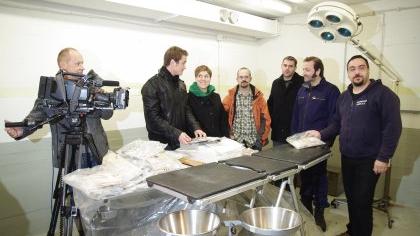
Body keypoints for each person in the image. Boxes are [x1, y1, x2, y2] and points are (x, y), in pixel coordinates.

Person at [306, 55, 402, 236]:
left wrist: (383, 157)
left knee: (362, 201)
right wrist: (320, 133)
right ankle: (352, 230)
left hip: (370, 159)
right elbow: (336, 123)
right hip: (348, 157)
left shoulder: (383, 95)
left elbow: (393, 128)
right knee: (352, 198)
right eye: (352, 69)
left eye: (361, 67)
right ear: (348, 73)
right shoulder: (344, 97)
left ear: (367, 70)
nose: (357, 72)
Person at [4, 47, 112, 168]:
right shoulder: (52, 90)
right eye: (78, 63)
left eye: (82, 63)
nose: (82, 67)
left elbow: (107, 114)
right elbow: (38, 115)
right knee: (73, 186)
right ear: (62, 65)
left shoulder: (92, 85)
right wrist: (21, 130)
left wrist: (99, 97)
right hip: (70, 155)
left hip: (97, 151)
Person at [291, 56, 340, 232]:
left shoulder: (331, 91)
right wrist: (293, 138)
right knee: (305, 179)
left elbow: (335, 120)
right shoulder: (302, 89)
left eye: (307, 70)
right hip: (301, 146)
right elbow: (296, 116)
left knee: (319, 179)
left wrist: (324, 138)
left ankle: (319, 212)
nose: (303, 72)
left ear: (318, 71)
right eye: (303, 69)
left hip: (320, 146)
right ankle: (306, 211)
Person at [141, 46, 206, 150]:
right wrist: (176, 133)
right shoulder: (151, 85)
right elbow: (152, 119)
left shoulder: (181, 85)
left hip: (181, 142)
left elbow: (186, 110)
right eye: (183, 63)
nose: (185, 66)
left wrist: (196, 128)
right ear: (172, 62)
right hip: (162, 145)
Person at [222, 67, 271, 150]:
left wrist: (260, 138)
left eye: (246, 77)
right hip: (236, 141)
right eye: (241, 77)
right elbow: (222, 117)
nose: (243, 79)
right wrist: (229, 135)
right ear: (237, 79)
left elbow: (265, 119)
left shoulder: (259, 98)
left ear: (250, 78)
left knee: (255, 163)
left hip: (254, 142)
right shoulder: (230, 97)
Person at [268, 56, 304, 146]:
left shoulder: (303, 82)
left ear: (295, 68)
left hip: (296, 133)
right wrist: (273, 123)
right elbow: (270, 105)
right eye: (285, 65)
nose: (287, 68)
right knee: (277, 159)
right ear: (281, 66)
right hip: (278, 133)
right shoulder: (275, 83)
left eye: (291, 66)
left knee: (294, 159)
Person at [187, 65, 229, 137]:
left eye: (206, 76)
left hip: (216, 139)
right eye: (200, 76)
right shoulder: (188, 97)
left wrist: (225, 137)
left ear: (210, 78)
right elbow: (188, 120)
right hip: (198, 140)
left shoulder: (216, 97)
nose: (203, 79)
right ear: (196, 78)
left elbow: (223, 120)